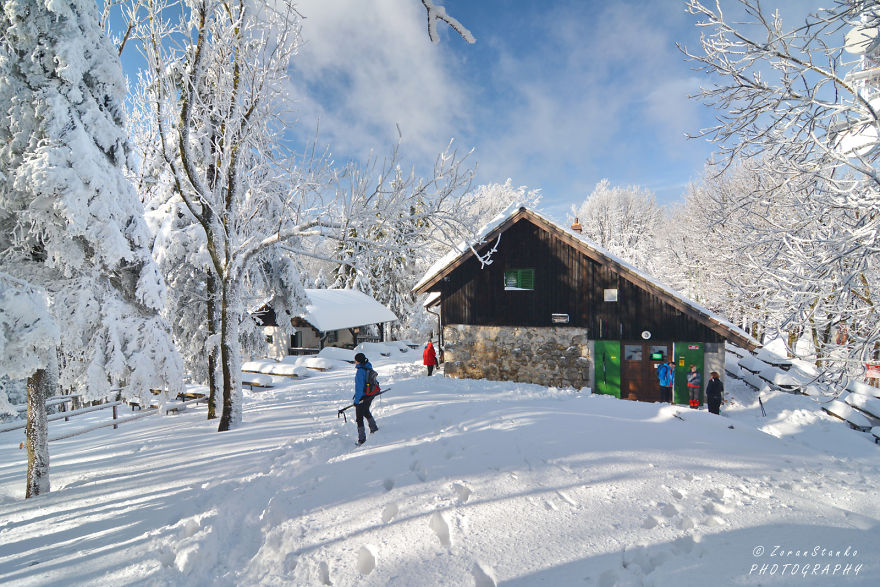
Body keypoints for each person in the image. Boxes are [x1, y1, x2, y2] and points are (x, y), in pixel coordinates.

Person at [353, 352, 379, 445]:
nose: (354, 362)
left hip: (363, 396)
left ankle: (362, 439)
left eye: (355, 360)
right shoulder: (368, 367)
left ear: (358, 361)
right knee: (366, 411)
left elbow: (359, 388)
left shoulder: (360, 371)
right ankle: (374, 428)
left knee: (359, 417)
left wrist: (356, 401)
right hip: (370, 394)